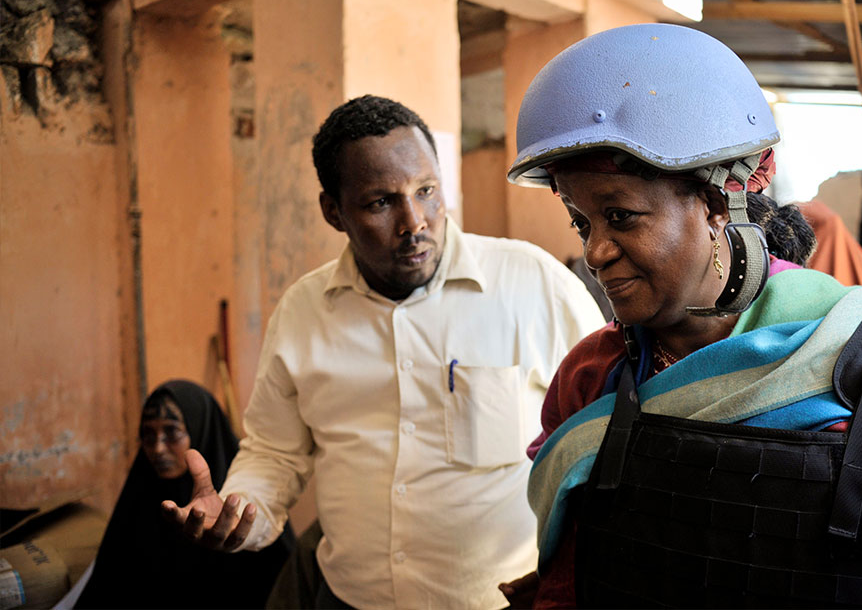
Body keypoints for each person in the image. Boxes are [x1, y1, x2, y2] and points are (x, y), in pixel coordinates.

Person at [505, 24, 862, 608]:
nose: (594, 252)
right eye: (582, 224)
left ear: (717, 204)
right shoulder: (591, 376)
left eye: (622, 216)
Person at [161, 95, 605, 609]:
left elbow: (601, 441)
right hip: (349, 599)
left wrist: (570, 571)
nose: (414, 221)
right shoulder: (304, 312)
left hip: (504, 601)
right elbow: (275, 453)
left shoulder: (534, 286)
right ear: (334, 212)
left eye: (426, 191)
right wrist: (242, 515)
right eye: (380, 203)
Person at [76, 380, 294, 609]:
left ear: (201, 431)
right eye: (148, 435)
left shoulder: (242, 503)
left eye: (172, 433)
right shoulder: (140, 501)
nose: (158, 448)